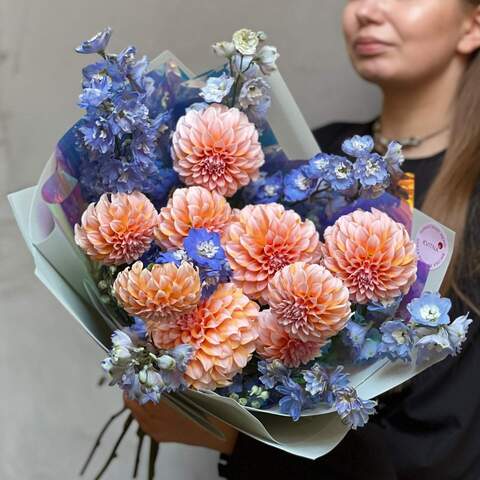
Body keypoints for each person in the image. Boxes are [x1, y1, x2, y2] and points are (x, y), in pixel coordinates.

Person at [126, 1, 480, 478]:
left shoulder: (473, 193)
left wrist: (235, 439)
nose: (369, 11)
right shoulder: (313, 159)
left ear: (473, 23)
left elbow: (447, 447)